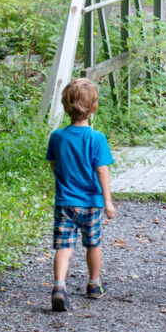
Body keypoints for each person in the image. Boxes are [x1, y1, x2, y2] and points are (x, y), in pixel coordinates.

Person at [46, 78, 115, 312]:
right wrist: (108, 202)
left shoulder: (57, 137)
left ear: (65, 108)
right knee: (93, 244)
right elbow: (101, 170)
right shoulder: (97, 139)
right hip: (92, 204)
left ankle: (58, 286)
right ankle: (94, 285)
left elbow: (54, 166)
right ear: (94, 108)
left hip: (65, 202)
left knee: (64, 246)